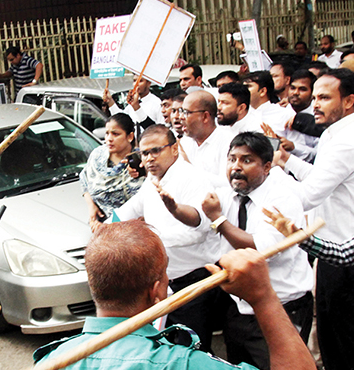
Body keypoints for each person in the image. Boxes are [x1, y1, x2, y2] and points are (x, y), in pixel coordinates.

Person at [34, 221, 317, 370]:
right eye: (166, 272)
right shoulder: (181, 363)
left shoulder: (53, 360)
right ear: (157, 289)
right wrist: (264, 297)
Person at [195, 132, 313, 368]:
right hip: (239, 306)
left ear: (267, 166)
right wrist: (173, 206)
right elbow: (197, 218)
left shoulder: (283, 199)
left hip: (282, 307)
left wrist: (218, 219)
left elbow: (259, 251)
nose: (236, 167)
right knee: (242, 365)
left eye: (246, 161)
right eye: (232, 159)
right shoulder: (228, 194)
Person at [108, 125, 220, 352]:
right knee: (167, 349)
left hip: (193, 281)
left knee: (192, 352)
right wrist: (107, 229)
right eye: (144, 153)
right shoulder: (153, 179)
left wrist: (150, 237)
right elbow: (130, 209)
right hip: (163, 281)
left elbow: (198, 231)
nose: (149, 159)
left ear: (175, 149)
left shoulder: (193, 179)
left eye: (155, 151)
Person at [273, 68, 354, 370]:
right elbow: (322, 179)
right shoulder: (335, 133)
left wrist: (268, 180)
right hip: (333, 251)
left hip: (343, 255)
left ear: (349, 101)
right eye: (315, 96)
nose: (315, 104)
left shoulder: (347, 140)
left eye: (324, 97)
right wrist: (286, 161)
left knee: (340, 343)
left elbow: (308, 196)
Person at [80, 113, 144, 227]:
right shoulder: (97, 155)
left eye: (115, 134)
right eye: (107, 133)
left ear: (130, 136)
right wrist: (91, 206)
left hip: (132, 229)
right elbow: (84, 178)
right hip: (99, 225)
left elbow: (141, 206)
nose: (109, 139)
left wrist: (109, 226)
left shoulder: (141, 161)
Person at [179, 90, 234, 187]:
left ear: (205, 116)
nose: (181, 117)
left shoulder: (229, 142)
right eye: (181, 111)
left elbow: (227, 184)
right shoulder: (184, 142)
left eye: (186, 112)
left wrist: (188, 167)